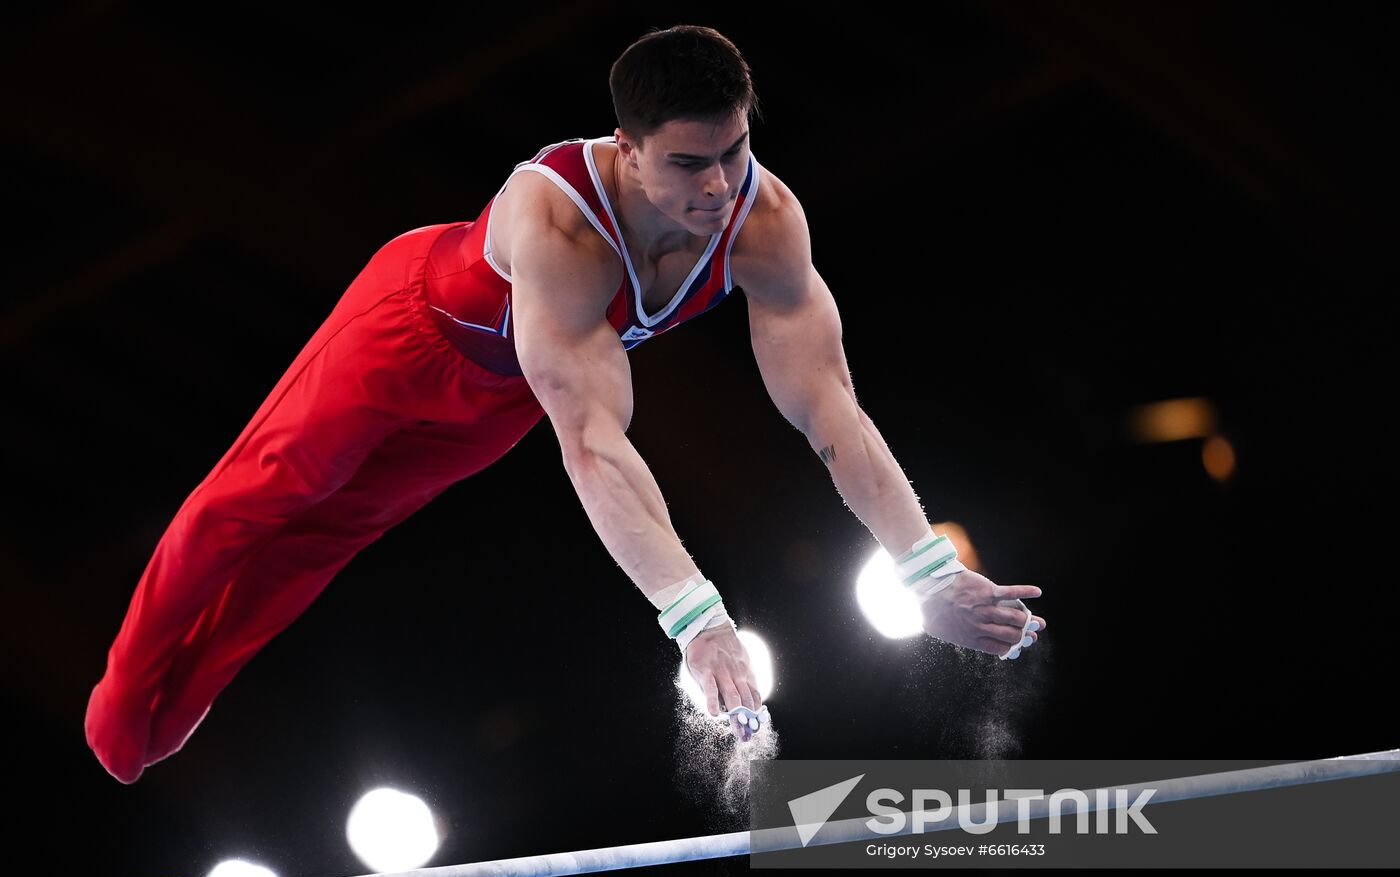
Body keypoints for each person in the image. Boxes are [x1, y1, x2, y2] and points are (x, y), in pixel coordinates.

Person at [85, 25, 1045, 785]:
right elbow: (592, 441)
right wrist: (697, 620)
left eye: (734, 150)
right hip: (401, 335)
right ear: (626, 149)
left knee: (329, 536)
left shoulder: (766, 220)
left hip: (503, 396)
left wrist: (924, 568)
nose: (716, 187)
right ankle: (121, 709)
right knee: (258, 502)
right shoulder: (560, 224)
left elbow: (831, 410)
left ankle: (171, 720)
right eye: (684, 164)